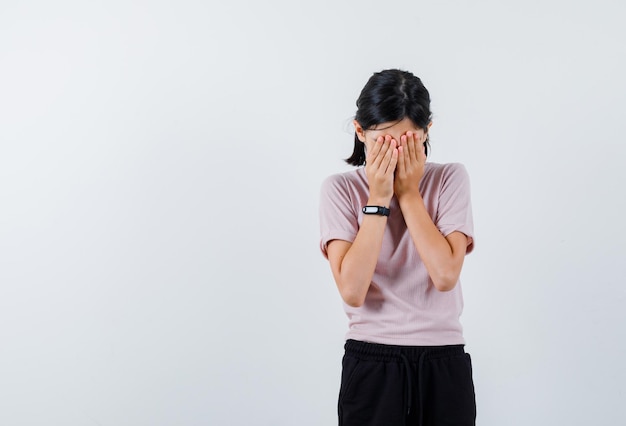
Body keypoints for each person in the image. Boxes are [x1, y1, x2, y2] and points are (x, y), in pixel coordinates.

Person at [319, 69, 477, 426]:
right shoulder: (340, 191)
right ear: (360, 132)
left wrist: (408, 193)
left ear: (426, 133)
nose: (395, 153)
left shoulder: (449, 178)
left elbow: (445, 275)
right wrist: (378, 198)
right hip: (372, 362)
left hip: (443, 358)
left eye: (407, 142)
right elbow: (353, 290)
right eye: (382, 142)